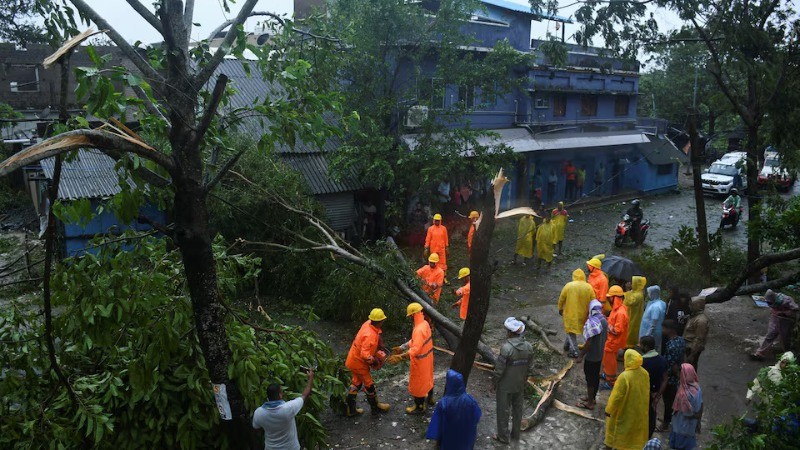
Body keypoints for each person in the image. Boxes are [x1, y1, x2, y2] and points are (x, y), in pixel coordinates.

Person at [388, 303, 435, 414]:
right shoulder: (424, 324)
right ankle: (430, 399)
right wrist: (402, 347)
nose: (409, 318)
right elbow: (416, 341)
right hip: (428, 359)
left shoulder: (418, 329)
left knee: (418, 384)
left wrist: (400, 357)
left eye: (410, 316)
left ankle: (419, 407)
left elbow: (416, 349)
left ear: (413, 315)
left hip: (420, 361)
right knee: (428, 379)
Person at [493, 317, 534, 444]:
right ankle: (516, 434)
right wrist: (524, 379)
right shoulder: (528, 347)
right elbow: (530, 367)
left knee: (503, 411)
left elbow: (499, 370)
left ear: (510, 332)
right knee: (518, 409)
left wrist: (494, 382)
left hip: (505, 385)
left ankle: (503, 437)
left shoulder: (506, 348)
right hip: (520, 383)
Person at [344, 308, 390, 416]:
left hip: (352, 359)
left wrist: (379, 344)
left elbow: (373, 337)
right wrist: (374, 361)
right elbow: (364, 354)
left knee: (356, 383)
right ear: (380, 321)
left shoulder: (368, 323)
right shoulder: (370, 335)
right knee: (369, 384)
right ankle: (375, 407)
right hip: (359, 363)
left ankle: (350, 410)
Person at [252, 370, 315, 450]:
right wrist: (310, 378)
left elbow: (256, 428)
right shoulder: (288, 408)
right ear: (280, 395)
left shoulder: (259, 413)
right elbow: (305, 395)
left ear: (267, 398)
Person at [604, 349, 650, 450]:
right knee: (632, 434)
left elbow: (616, 396)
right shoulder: (645, 373)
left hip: (623, 410)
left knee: (616, 430)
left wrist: (609, 410)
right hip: (638, 410)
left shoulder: (624, 376)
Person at [426, 369, 482, 449]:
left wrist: (437, 443)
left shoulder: (444, 403)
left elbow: (437, 425)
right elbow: (477, 416)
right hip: (466, 439)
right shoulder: (470, 400)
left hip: (450, 439)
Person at [575, 299, 608, 411]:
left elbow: (588, 342)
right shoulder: (604, 320)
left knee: (590, 379)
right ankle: (592, 398)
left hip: (592, 356)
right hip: (599, 354)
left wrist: (581, 355)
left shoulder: (593, 322)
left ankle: (590, 403)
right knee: (595, 377)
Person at [751, 289, 799, 360]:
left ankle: (787, 355)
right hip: (775, 318)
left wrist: (783, 312)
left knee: (784, 338)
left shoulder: (786, 300)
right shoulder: (770, 299)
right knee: (770, 334)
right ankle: (760, 353)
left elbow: (796, 309)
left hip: (786, 320)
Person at [558, 268, 596, 358]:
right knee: (570, 330)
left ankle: (575, 351)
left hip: (570, 313)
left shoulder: (569, 286)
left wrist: (560, 308)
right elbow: (593, 300)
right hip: (583, 314)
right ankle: (566, 345)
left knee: (570, 331)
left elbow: (562, 298)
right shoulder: (588, 287)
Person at [668, 364, 703, 450]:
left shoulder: (684, 393)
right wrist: (698, 419)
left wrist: (695, 416)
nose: (678, 375)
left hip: (682, 425)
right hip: (691, 426)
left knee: (680, 445)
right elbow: (701, 404)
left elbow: (686, 413)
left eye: (680, 373)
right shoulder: (697, 387)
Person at [660, 319, 686, 432]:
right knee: (671, 399)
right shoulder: (680, 340)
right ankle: (668, 420)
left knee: (668, 400)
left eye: (664, 328)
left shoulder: (671, 346)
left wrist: (663, 377)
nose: (662, 330)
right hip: (677, 375)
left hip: (670, 378)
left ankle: (666, 424)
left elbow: (668, 365)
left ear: (670, 330)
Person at [640, 335, 667, 439]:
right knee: (652, 416)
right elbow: (665, 379)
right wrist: (658, 396)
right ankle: (648, 437)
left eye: (641, 345)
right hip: (655, 393)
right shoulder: (662, 360)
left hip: (643, 394)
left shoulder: (642, 362)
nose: (640, 346)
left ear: (646, 347)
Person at [602, 285, 629, 388]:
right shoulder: (616, 309)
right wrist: (607, 318)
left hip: (614, 341)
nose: (608, 299)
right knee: (606, 359)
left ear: (615, 297)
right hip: (610, 340)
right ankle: (607, 374)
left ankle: (611, 381)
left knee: (610, 361)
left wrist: (606, 324)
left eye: (610, 297)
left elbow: (617, 331)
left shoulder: (621, 313)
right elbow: (613, 320)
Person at [683, 297, 709, 371]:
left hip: (691, 348)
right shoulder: (694, 316)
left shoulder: (701, 320)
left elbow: (699, 338)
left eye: (691, 305)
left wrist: (692, 354)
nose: (689, 306)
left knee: (690, 369)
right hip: (688, 346)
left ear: (697, 305)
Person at [640, 285, 667, 351]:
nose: (648, 295)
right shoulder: (660, 303)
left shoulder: (656, 306)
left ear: (653, 294)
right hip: (653, 331)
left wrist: (648, 334)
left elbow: (654, 321)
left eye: (649, 293)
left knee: (649, 350)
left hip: (651, 333)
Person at [625, 276, 648, 349]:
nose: (630, 284)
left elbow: (628, 302)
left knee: (631, 331)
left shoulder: (638, 295)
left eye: (632, 283)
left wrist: (627, 289)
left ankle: (629, 347)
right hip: (631, 315)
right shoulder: (635, 292)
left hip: (634, 317)